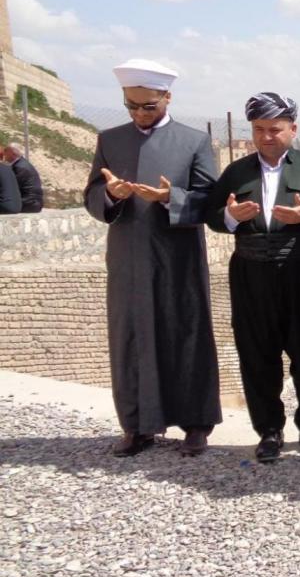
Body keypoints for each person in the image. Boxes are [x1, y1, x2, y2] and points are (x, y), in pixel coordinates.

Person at [83, 58, 221, 456]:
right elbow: (92, 195)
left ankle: (196, 423)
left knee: (186, 330)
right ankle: (137, 425)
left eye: (149, 106)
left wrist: (168, 197)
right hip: (128, 257)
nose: (140, 114)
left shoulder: (194, 141)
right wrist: (111, 195)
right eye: (132, 106)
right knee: (131, 336)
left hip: (177, 256)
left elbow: (209, 200)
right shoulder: (110, 140)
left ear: (167, 99)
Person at [207, 93, 300, 464]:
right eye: (259, 129)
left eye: (275, 129)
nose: (266, 137)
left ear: (293, 129)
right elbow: (212, 214)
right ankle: (269, 430)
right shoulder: (237, 172)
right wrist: (231, 217)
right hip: (251, 272)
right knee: (257, 353)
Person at [2, 144, 43, 212]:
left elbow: (11, 188)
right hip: (31, 202)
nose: (4, 153)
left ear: (13, 153)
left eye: (6, 150)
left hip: (29, 203)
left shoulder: (20, 167)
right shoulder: (20, 164)